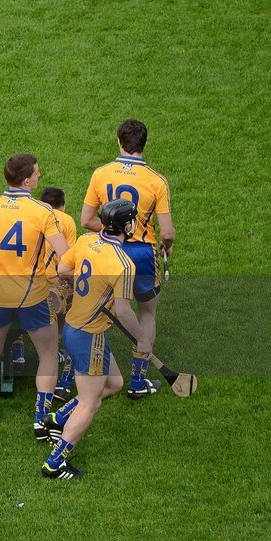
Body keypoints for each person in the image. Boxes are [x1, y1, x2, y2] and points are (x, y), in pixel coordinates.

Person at [41, 199, 146, 478]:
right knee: (90, 403)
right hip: (91, 336)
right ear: (126, 225)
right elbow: (123, 311)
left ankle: (56, 418)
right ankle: (55, 462)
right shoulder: (123, 264)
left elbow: (63, 270)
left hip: (74, 329)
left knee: (114, 383)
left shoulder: (87, 241)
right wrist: (142, 339)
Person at [0, 154, 69, 442]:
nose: (39, 178)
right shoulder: (42, 212)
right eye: (37, 174)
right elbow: (65, 256)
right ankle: (42, 418)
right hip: (34, 296)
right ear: (26, 180)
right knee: (48, 354)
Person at [81, 119, 175, 399]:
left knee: (102, 311)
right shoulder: (157, 181)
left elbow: (86, 220)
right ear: (144, 144)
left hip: (109, 251)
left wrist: (113, 230)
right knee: (146, 313)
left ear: (119, 142)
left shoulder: (100, 174)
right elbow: (167, 231)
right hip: (144, 254)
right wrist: (166, 246)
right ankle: (138, 380)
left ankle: (89, 372)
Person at [38, 187, 79, 401]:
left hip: (32, 282)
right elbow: (68, 259)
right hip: (56, 280)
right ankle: (65, 382)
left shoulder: (34, 214)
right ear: (62, 205)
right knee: (73, 316)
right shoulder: (67, 220)